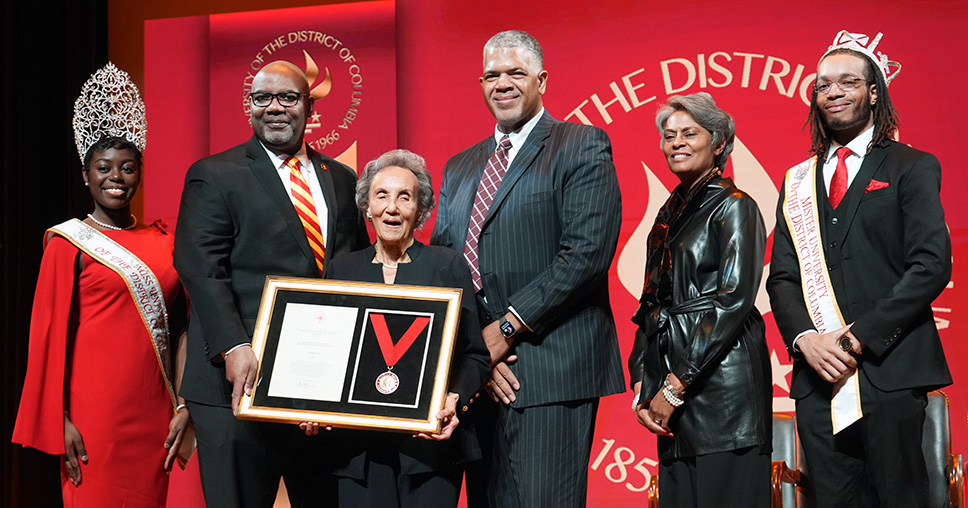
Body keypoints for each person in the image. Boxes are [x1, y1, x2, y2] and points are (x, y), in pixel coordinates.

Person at [430, 30, 625, 507]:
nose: (503, 84)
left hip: (549, 367)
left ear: (541, 79)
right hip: (478, 378)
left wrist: (507, 328)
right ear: (480, 83)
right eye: (492, 75)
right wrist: (477, 350)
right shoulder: (459, 166)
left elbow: (585, 254)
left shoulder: (580, 144)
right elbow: (444, 265)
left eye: (515, 73)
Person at [767, 30, 952, 508]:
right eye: (823, 84)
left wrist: (857, 337)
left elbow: (930, 265)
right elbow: (782, 277)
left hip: (889, 372)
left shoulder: (912, 165)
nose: (833, 91)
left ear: (874, 92)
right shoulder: (798, 180)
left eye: (848, 82)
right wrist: (806, 340)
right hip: (817, 379)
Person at [174, 60, 369, 507]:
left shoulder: (340, 178)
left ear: (310, 105)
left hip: (316, 394)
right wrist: (233, 346)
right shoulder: (214, 174)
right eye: (262, 98)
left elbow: (352, 270)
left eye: (288, 97)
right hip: (235, 390)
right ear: (249, 107)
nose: (274, 108)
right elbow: (200, 269)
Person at [13, 62, 192, 507]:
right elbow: (49, 335)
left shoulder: (167, 241)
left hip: (155, 414)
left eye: (128, 167)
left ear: (140, 172)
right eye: (104, 167)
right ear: (85, 174)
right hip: (93, 418)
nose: (116, 176)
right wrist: (60, 420)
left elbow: (185, 327)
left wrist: (186, 404)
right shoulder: (67, 242)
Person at [313, 149, 489, 507]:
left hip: (429, 449)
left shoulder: (447, 266)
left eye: (404, 197)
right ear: (366, 207)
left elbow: (475, 355)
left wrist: (454, 399)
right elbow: (325, 355)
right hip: (357, 452)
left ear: (420, 211)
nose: (392, 208)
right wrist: (311, 403)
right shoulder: (341, 270)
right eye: (382, 196)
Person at [628, 92, 771, 508]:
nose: (676, 143)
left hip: (724, 392)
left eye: (690, 133)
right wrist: (644, 380)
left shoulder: (735, 206)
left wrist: (674, 386)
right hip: (673, 390)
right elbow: (649, 303)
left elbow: (733, 301)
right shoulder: (667, 215)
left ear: (719, 143)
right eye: (669, 136)